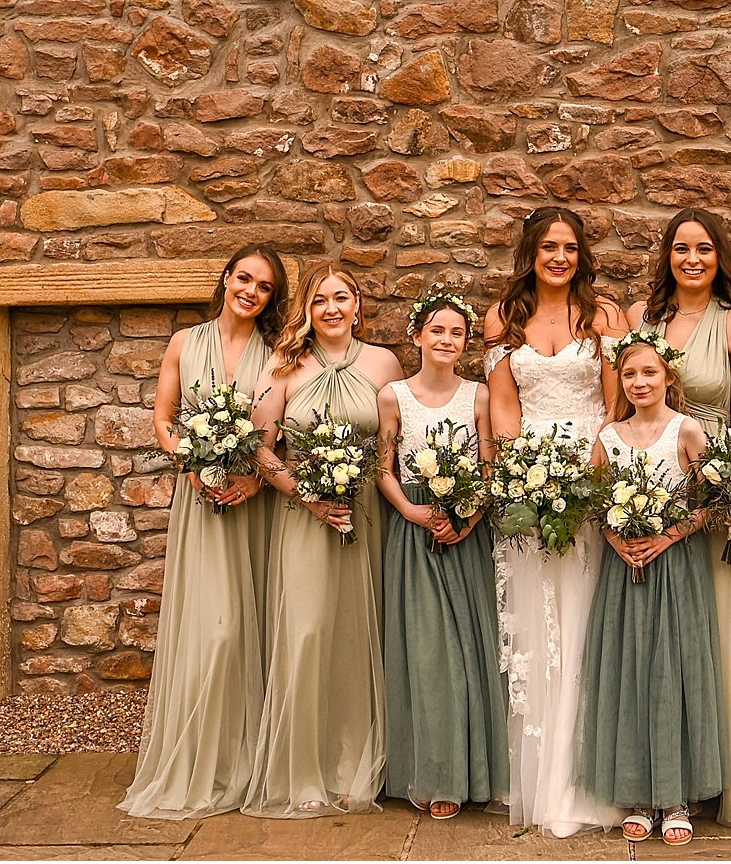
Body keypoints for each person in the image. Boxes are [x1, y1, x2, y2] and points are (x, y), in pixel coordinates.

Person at [120, 246, 288, 819]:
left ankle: (247, 760)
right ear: (224, 279)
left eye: (264, 286)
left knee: (247, 628)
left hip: (252, 506)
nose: (251, 291)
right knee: (210, 632)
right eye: (244, 278)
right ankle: (202, 760)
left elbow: (280, 439)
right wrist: (189, 459)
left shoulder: (279, 356)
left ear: (271, 298)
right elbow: (164, 419)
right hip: (199, 501)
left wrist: (256, 486)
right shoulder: (184, 344)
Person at [484, 205, 627, 838]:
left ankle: (588, 776)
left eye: (570, 247)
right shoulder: (503, 317)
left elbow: (617, 399)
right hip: (528, 483)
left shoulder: (603, 317)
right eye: (549, 248)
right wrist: (523, 474)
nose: (560, 258)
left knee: (585, 616)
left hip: (590, 477)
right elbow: (506, 408)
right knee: (534, 621)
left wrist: (589, 476)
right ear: (531, 254)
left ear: (582, 254)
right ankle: (536, 777)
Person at [243, 263, 404, 818]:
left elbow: (390, 448)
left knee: (358, 635)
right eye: (319, 301)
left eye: (341, 298)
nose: (331, 309)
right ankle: (302, 770)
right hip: (305, 516)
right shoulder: (284, 365)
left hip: (366, 515)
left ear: (357, 303)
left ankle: (353, 768)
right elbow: (260, 448)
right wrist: (304, 495)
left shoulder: (384, 363)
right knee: (308, 632)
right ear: (306, 311)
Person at [626, 208, 731, 828]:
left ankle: (720, 775)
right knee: (660, 634)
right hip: (650, 480)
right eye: (681, 249)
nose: (692, 260)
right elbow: (621, 400)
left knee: (718, 628)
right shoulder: (641, 319)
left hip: (710, 484)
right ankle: (661, 770)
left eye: (704, 250)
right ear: (668, 255)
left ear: (719, 258)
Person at [576, 329, 722, 846]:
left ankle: (676, 795)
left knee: (672, 671)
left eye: (650, 372)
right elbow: (593, 503)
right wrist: (616, 538)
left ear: (668, 377)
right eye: (630, 374)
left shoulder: (687, 432)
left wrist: (668, 536)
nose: (639, 382)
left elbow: (712, 503)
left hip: (675, 570)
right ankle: (638, 792)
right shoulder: (608, 438)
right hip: (624, 574)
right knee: (630, 670)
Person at [376, 290, 508, 820]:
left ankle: (468, 771)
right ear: (417, 336)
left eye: (456, 333)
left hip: (464, 531)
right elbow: (383, 467)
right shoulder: (393, 396)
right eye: (437, 331)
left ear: (466, 341)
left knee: (466, 651)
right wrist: (409, 510)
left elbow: (489, 467)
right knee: (425, 653)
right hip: (414, 529)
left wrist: (470, 517)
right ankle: (427, 770)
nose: (446, 340)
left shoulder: (477, 396)